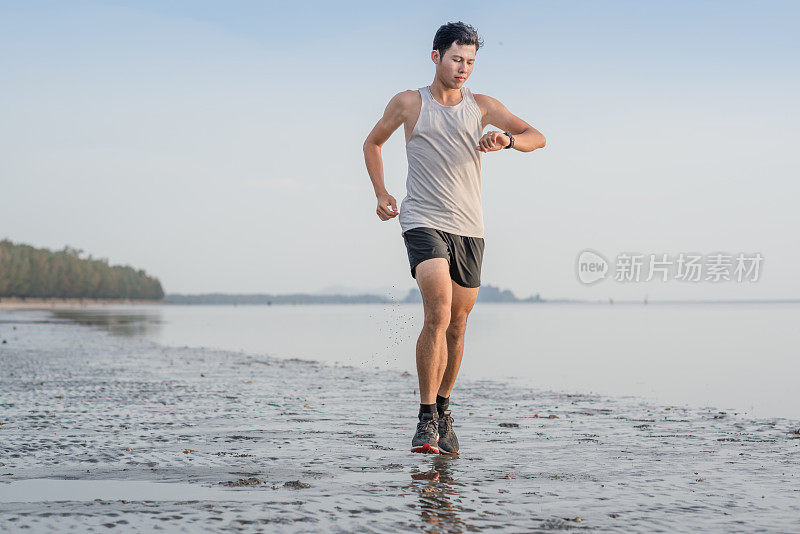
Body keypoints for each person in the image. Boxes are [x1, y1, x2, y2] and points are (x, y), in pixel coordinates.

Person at [362, 21, 546, 454]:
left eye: (470, 61)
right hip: (423, 219)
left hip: (470, 227)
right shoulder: (409, 103)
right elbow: (373, 143)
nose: (463, 68)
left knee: (458, 327)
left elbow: (537, 137)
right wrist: (382, 193)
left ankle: (444, 409)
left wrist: (506, 141)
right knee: (439, 312)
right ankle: (426, 419)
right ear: (436, 57)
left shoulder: (482, 105)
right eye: (456, 59)